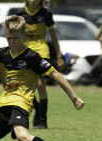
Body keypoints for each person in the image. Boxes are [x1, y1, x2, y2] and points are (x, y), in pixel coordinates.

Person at [16, 0, 65, 129]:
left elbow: (53, 36)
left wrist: (59, 56)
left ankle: (42, 120)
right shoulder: (20, 14)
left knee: (40, 85)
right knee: (25, 87)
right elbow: (14, 35)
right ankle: (37, 111)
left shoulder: (46, 13)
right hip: (24, 52)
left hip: (42, 52)